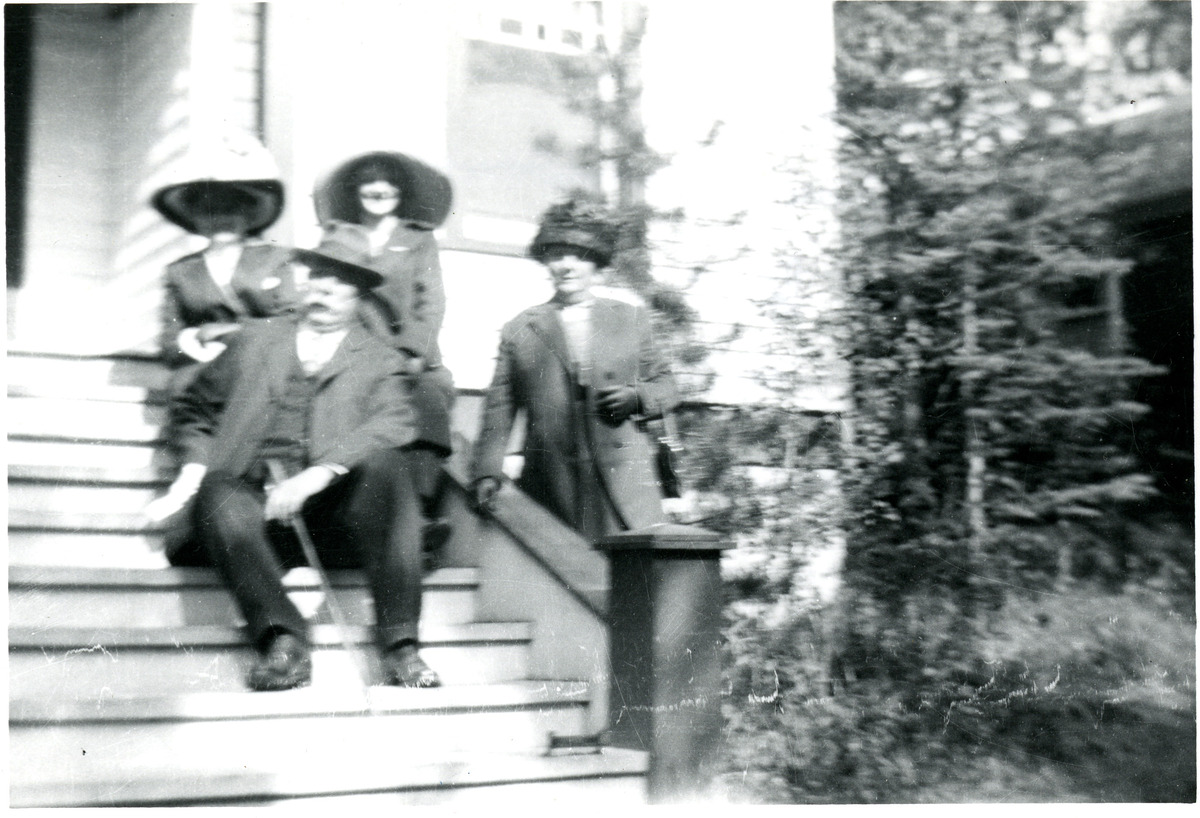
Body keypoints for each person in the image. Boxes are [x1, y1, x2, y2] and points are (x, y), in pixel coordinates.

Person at [168, 231, 441, 691]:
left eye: (339, 284)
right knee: (217, 491)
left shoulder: (380, 359)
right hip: (252, 514)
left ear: (359, 296)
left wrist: (317, 475)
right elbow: (193, 408)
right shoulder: (255, 340)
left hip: (332, 519)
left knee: (388, 467)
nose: (323, 290)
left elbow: (395, 421)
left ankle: (400, 645)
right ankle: (284, 642)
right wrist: (197, 464)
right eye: (316, 278)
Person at [469, 198, 680, 542]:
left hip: (624, 488)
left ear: (595, 265)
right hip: (554, 486)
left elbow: (668, 387)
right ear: (545, 263)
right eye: (556, 255)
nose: (567, 266)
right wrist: (486, 473)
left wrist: (636, 397)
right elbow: (499, 409)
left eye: (578, 256)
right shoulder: (521, 329)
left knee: (633, 582)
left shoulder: (629, 318)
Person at [147, 132, 300, 566]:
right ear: (195, 217)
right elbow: (167, 339)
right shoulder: (182, 273)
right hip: (204, 370)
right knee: (187, 394)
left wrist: (238, 335)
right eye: (211, 209)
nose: (223, 218)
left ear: (251, 212)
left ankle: (218, 493)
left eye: (235, 206)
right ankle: (193, 480)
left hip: (260, 367)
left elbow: (291, 317)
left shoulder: (273, 259)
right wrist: (197, 338)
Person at [314, 151, 455, 555]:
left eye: (389, 183)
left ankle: (420, 515)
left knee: (428, 399)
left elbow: (432, 303)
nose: (380, 191)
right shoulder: (337, 235)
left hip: (407, 352)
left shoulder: (417, 238)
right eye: (369, 183)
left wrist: (413, 352)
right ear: (356, 191)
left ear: (401, 191)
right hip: (354, 348)